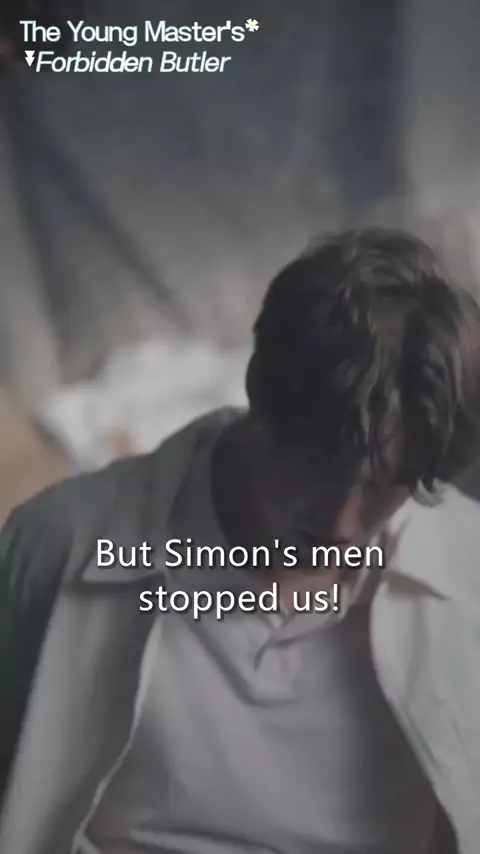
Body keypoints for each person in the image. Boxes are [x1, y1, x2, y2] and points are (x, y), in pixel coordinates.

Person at [1, 227, 480, 854]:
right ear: (259, 395)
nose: (341, 524)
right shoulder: (57, 543)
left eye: (385, 486)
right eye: (320, 467)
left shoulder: (468, 570)